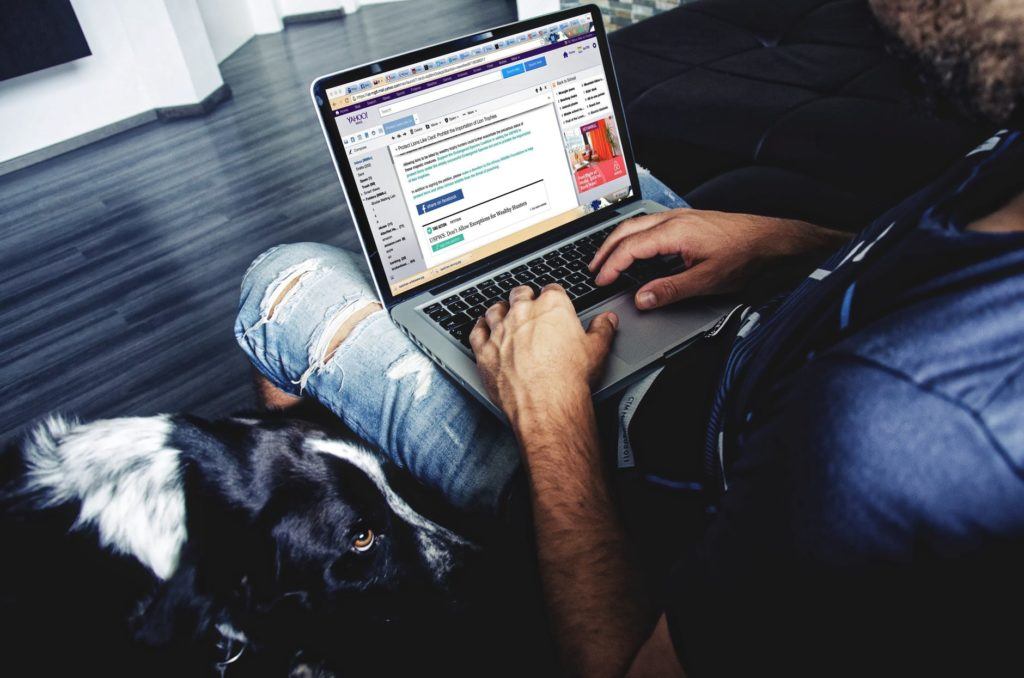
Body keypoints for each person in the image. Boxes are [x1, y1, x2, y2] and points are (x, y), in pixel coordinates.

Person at [235, 4, 1024, 673]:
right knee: (607, 200)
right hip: (749, 328)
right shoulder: (1009, 155)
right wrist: (786, 239)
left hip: (622, 467)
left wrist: (548, 412)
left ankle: (309, 541)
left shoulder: (897, 432)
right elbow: (915, 263)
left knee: (282, 278)